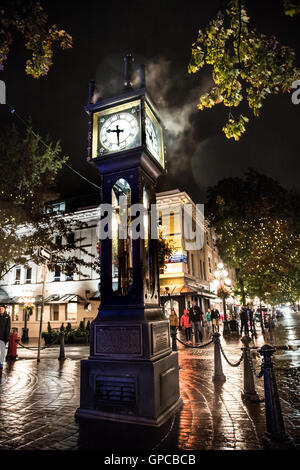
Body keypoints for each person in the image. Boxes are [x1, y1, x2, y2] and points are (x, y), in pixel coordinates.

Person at [0, 305, 11, 369]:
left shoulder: (7, 317)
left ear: (4, 309)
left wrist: (7, 337)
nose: (1, 310)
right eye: (0, 309)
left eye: (2, 309)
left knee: (2, 350)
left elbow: (8, 327)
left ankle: (1, 363)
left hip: (3, 337)